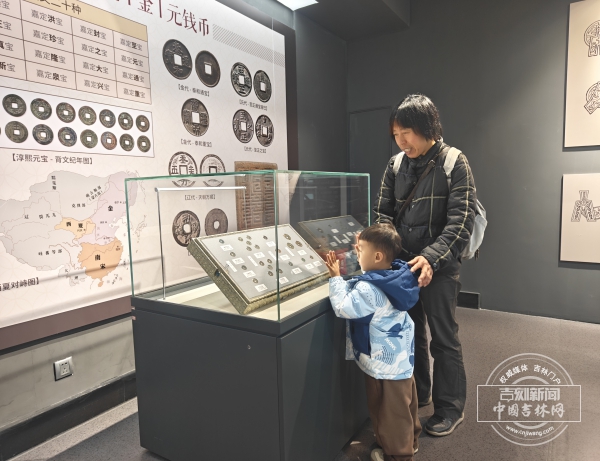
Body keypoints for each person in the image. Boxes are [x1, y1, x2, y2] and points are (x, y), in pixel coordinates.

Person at [373, 94, 476, 437]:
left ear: (426, 127)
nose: (402, 141)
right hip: (404, 266)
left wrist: (431, 257)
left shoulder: (454, 162)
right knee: (411, 331)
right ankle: (421, 390)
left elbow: (461, 221)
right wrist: (388, 255)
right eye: (396, 134)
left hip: (440, 267)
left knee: (444, 338)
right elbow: (383, 214)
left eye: (407, 133)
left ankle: (451, 408)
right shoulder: (395, 165)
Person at [326, 223, 421, 461]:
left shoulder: (369, 289)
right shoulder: (398, 275)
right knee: (405, 404)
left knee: (388, 411)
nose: (356, 253)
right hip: (402, 360)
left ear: (377, 256)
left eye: (360, 250)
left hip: (383, 363)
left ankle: (398, 456)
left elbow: (344, 307)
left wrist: (336, 279)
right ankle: (411, 442)